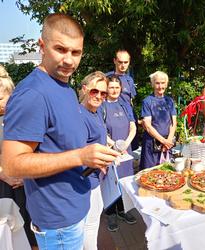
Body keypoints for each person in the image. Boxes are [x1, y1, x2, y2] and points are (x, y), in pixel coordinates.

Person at [1, 13, 119, 249]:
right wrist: (80, 156)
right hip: (58, 221)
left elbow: (61, 142)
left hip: (76, 204)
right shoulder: (32, 94)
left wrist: (92, 157)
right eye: (60, 49)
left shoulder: (64, 86)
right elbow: (12, 164)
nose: (69, 60)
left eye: (76, 52)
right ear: (42, 46)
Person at [0, 70, 38, 249]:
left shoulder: (21, 119)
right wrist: (4, 175)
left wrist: (27, 175)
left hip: (26, 186)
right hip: (5, 188)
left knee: (30, 231)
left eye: (1, 98)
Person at [101, 75, 137, 232]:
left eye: (117, 87)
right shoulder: (102, 106)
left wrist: (125, 144)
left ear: (121, 89)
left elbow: (133, 127)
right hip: (109, 150)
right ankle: (111, 214)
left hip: (125, 150)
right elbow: (100, 130)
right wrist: (114, 145)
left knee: (124, 180)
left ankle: (122, 211)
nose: (114, 90)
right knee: (110, 181)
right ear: (107, 89)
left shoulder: (125, 105)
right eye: (111, 87)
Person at [78, 71, 108, 250]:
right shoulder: (80, 115)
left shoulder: (95, 112)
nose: (98, 96)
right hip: (86, 182)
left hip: (96, 178)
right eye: (94, 91)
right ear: (84, 89)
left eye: (103, 93)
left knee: (95, 219)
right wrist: (100, 161)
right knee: (89, 226)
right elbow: (77, 154)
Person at [139, 71, 177, 170]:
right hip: (152, 144)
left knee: (167, 172)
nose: (160, 86)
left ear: (166, 84)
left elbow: (173, 123)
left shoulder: (169, 101)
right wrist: (163, 141)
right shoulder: (147, 101)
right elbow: (147, 125)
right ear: (152, 84)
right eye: (157, 83)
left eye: (163, 83)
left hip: (166, 144)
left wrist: (168, 141)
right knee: (149, 173)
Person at [106, 50, 139, 151]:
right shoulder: (106, 77)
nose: (123, 65)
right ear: (115, 61)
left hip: (126, 117)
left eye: (126, 62)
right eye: (120, 62)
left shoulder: (129, 80)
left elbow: (130, 100)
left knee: (128, 149)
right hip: (110, 118)